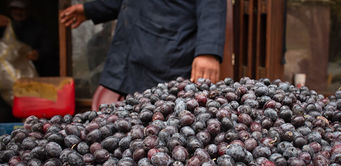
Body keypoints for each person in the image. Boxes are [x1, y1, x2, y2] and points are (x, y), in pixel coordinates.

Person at [60, 0, 226, 96]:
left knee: (165, 127)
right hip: (129, 57)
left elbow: (212, 4)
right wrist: (90, 10)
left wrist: (208, 51)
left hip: (167, 56)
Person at [0, 0, 59, 76]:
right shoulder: (5, 27)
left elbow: (49, 48)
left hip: (31, 73)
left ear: (28, 10)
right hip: (7, 74)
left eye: (22, 9)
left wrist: (38, 53)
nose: (18, 12)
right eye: (15, 9)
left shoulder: (38, 29)